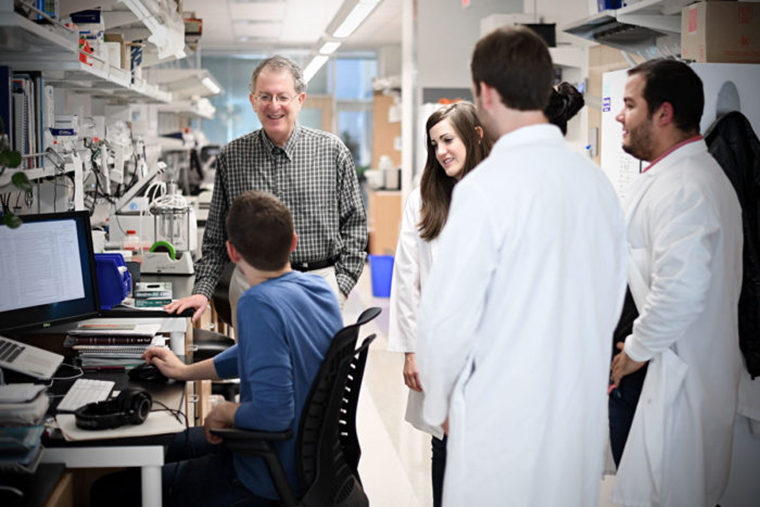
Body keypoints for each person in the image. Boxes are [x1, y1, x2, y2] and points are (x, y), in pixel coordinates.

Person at [414, 26, 627, 506]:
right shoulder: (596, 187)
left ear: (485, 94)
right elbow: (615, 295)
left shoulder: (484, 191)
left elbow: (446, 320)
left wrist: (441, 402)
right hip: (575, 417)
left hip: (500, 420)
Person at [92, 190, 343, 506]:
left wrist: (222, 411)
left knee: (110, 491)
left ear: (231, 252)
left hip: (265, 475)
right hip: (308, 465)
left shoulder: (258, 302)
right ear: (293, 241)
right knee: (165, 443)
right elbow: (256, 352)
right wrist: (184, 371)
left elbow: (274, 414)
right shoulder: (318, 289)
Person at [609, 58, 743, 507]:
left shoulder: (686, 185)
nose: (618, 115)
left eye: (629, 105)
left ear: (662, 114)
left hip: (680, 379)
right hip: (669, 371)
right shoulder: (675, 176)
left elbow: (679, 291)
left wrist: (634, 350)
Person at [165, 55, 367, 325]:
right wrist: (202, 292)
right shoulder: (233, 156)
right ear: (252, 101)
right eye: (265, 97)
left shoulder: (332, 152)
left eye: (283, 97)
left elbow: (355, 226)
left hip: (317, 283)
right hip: (251, 286)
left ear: (300, 99)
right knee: (253, 365)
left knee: (314, 367)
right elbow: (215, 237)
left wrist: (339, 288)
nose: (274, 106)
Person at [387, 101, 492, 507]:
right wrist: (411, 350)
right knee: (446, 447)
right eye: (434, 144)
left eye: (448, 140)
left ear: (475, 135)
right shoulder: (424, 199)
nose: (441, 151)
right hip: (443, 351)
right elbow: (406, 280)